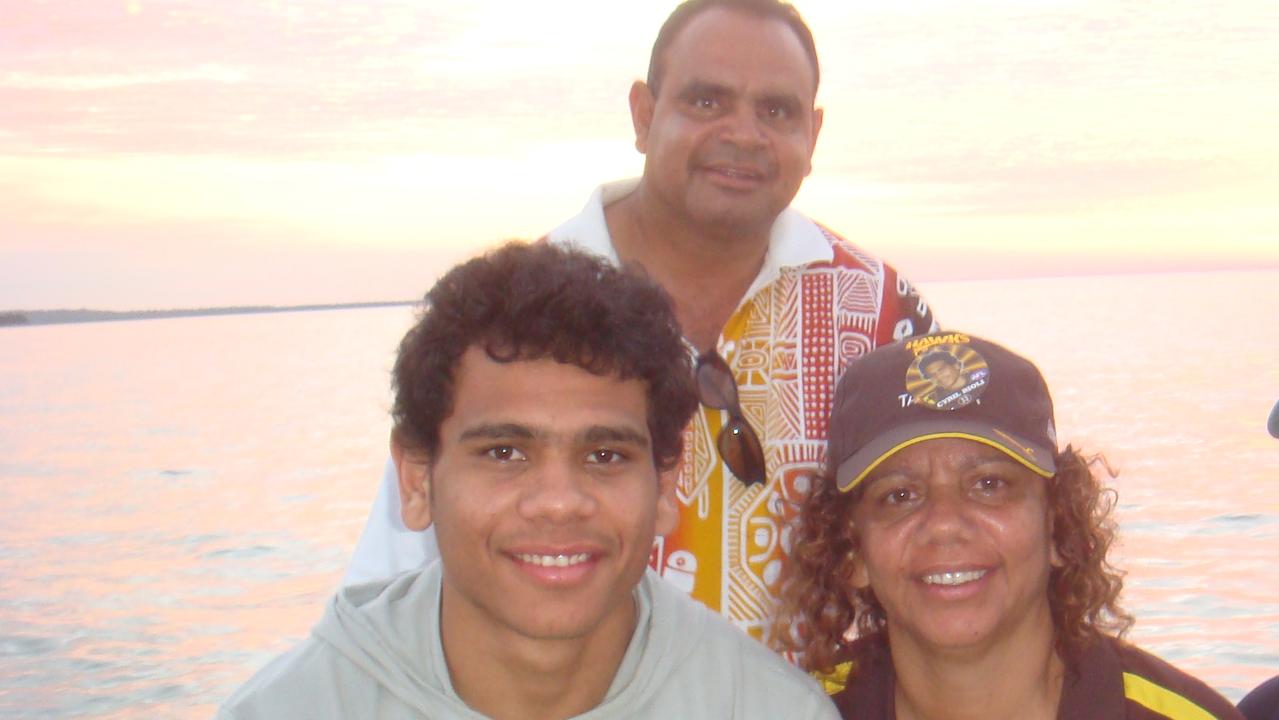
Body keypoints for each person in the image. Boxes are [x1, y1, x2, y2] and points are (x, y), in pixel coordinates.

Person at [345, 0, 937, 642]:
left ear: (813, 136)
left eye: (776, 110)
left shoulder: (881, 311)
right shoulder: (508, 319)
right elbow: (392, 579)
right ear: (644, 114)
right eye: (707, 102)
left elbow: (939, 537)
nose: (743, 134)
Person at [220, 241, 839, 719]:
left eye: (604, 457)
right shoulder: (292, 708)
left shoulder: (763, 709)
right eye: (504, 452)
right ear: (416, 479)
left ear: (666, 487)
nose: (558, 503)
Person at [772, 331, 1244, 719]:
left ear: (1057, 524)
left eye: (989, 485)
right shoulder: (789, 711)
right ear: (851, 549)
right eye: (900, 495)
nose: (945, 524)